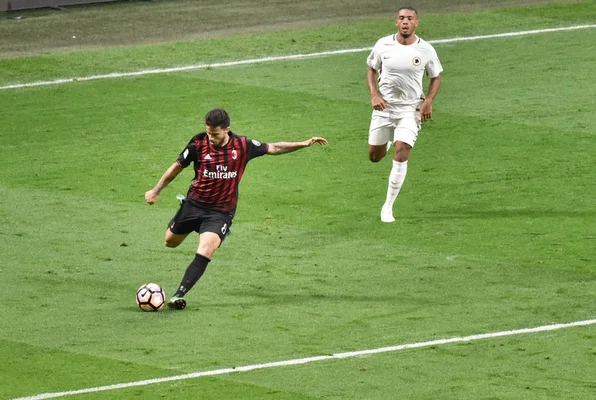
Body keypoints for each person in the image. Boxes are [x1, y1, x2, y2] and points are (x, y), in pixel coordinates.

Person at [144, 108, 328, 310]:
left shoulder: (242, 146)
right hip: (194, 204)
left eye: (215, 134)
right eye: (208, 133)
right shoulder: (198, 144)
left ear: (227, 130)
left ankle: (179, 295)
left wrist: (303, 143)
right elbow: (176, 167)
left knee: (206, 248)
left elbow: (274, 147)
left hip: (220, 212)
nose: (211, 138)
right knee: (170, 242)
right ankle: (183, 209)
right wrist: (156, 190)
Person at [366, 6, 443, 223]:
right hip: (384, 108)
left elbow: (436, 76)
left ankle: (387, 208)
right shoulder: (383, 45)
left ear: (417, 23)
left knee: (402, 151)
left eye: (409, 18)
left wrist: (428, 101)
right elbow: (371, 68)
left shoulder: (426, 49)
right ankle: (389, 139)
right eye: (401, 18)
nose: (405, 22)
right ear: (396, 22)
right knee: (374, 156)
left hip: (411, 109)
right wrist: (374, 94)